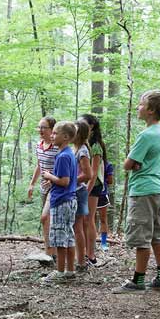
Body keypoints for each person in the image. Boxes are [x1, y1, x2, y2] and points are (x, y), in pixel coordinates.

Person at [114, 90, 160, 293]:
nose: (137, 107)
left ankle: (138, 280)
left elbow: (128, 164)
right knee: (156, 234)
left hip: (143, 191)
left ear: (150, 110)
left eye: (141, 104)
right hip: (158, 188)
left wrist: (132, 163)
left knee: (141, 236)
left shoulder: (146, 135)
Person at [40, 121, 78, 283]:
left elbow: (64, 181)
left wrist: (48, 176)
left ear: (66, 137)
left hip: (61, 201)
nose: (52, 136)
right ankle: (70, 270)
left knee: (60, 238)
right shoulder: (68, 153)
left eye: (55, 133)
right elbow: (64, 179)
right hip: (69, 200)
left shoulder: (63, 156)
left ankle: (60, 272)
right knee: (68, 236)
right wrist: (52, 181)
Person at [28, 116, 59, 264]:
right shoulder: (39, 145)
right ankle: (50, 252)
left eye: (44, 127)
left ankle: (51, 252)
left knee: (45, 218)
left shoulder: (58, 147)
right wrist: (32, 184)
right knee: (47, 221)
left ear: (52, 130)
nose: (40, 130)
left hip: (57, 188)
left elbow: (66, 167)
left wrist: (53, 178)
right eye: (39, 127)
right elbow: (39, 165)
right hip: (43, 187)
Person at [81, 113, 107, 265]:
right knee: (83, 220)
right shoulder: (84, 144)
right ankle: (84, 252)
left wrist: (87, 190)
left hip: (93, 187)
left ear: (91, 126)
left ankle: (91, 255)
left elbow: (94, 171)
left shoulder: (95, 145)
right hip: (84, 186)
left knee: (89, 219)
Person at [72, 119, 93, 271]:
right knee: (75, 226)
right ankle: (79, 259)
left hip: (79, 192)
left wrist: (70, 182)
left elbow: (88, 174)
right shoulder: (76, 149)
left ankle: (81, 262)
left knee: (77, 226)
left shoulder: (83, 151)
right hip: (75, 191)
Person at [97, 161, 115, 252]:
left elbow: (110, 180)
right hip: (99, 193)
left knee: (100, 219)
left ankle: (103, 243)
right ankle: (101, 243)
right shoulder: (107, 164)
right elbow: (110, 180)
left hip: (100, 193)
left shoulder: (107, 164)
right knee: (102, 219)